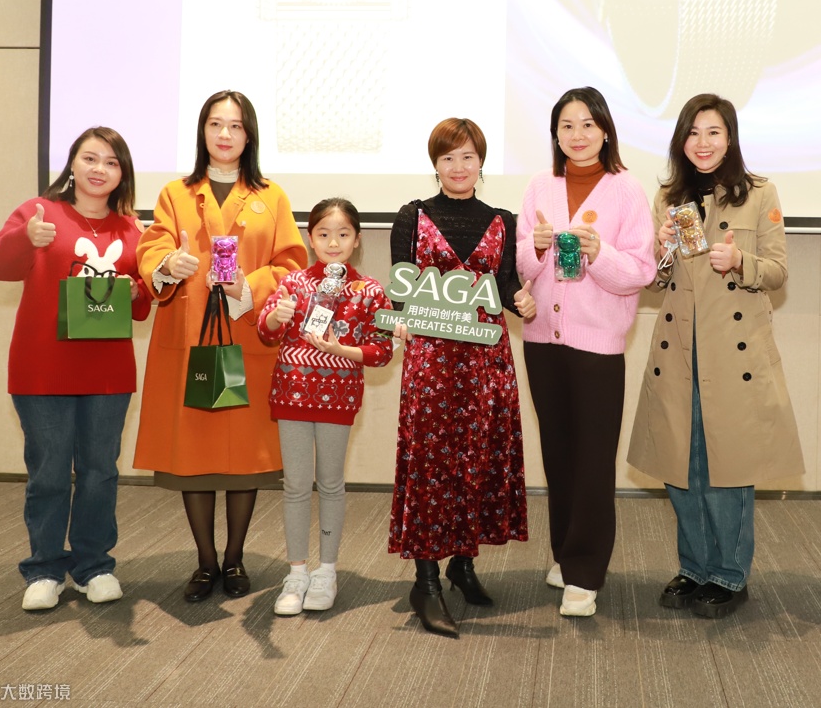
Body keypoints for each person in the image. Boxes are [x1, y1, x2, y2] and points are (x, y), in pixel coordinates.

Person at [628, 94, 803, 618]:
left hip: (734, 351)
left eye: (713, 132)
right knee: (681, 466)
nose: (702, 143)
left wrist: (741, 260)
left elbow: (778, 272)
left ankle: (728, 574)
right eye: (693, 133)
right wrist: (660, 249)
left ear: (730, 139)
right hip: (680, 348)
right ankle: (693, 567)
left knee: (728, 468)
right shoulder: (667, 198)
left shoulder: (760, 193)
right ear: (681, 140)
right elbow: (655, 282)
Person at [134, 90, 307, 602]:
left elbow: (290, 264)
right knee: (195, 453)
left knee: (244, 455)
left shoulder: (272, 196)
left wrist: (246, 287)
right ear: (203, 132)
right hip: (190, 339)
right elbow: (153, 249)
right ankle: (205, 562)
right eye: (215, 124)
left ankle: (234, 559)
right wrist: (169, 266)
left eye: (235, 125)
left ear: (248, 135)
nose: (225, 134)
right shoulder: (176, 193)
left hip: (246, 335)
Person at [0, 127, 151, 610]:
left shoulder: (132, 229)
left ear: (123, 174)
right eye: (90, 158)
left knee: (100, 472)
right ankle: (43, 569)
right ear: (73, 164)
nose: (100, 169)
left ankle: (93, 565)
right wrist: (26, 238)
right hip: (43, 369)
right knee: (50, 473)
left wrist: (137, 290)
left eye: (112, 162)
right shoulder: (39, 212)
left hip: (107, 373)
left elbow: (142, 305)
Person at [388, 118, 536, 638]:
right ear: (435, 163)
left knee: (477, 458)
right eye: (448, 157)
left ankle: (462, 563)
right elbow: (400, 291)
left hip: (485, 363)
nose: (458, 167)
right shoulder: (412, 217)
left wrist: (522, 301)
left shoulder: (503, 220)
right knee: (430, 465)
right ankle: (425, 582)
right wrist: (400, 318)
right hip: (431, 362)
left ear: (481, 162)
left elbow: (506, 285)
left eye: (468, 157)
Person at [516, 86, 656, 618]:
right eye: (567, 126)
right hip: (541, 342)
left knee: (593, 459)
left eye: (587, 125)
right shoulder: (540, 185)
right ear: (555, 134)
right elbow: (521, 266)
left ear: (605, 130)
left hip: (597, 345)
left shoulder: (627, 190)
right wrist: (535, 248)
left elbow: (640, 272)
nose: (577, 135)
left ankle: (586, 571)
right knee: (558, 453)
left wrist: (600, 254)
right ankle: (565, 553)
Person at [258, 197, 395, 616]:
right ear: (310, 238)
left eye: (343, 234)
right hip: (292, 394)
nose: (333, 242)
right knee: (296, 486)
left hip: (338, 397)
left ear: (357, 239)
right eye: (323, 234)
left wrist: (342, 350)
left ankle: (327, 571)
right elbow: (265, 331)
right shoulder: (293, 283)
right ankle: (297, 572)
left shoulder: (369, 291)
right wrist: (277, 317)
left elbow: (382, 351)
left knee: (331, 484)